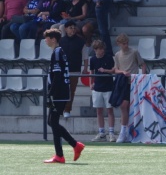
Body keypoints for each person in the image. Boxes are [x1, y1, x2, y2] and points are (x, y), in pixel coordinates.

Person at [43, 28, 85, 164]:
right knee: (52, 122)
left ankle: (62, 154)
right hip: (61, 92)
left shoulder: (57, 53)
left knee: (53, 122)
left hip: (59, 93)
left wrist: (51, 93)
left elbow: (57, 75)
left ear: (53, 39)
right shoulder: (59, 52)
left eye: (47, 38)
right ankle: (73, 146)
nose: (45, 40)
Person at [113, 33, 147, 143]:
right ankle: (124, 131)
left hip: (133, 82)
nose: (126, 45)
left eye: (127, 43)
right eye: (123, 43)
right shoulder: (118, 55)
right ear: (119, 44)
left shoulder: (134, 52)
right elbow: (116, 69)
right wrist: (122, 72)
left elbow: (142, 64)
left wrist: (142, 77)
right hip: (123, 83)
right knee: (124, 106)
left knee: (130, 107)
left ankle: (129, 131)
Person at [59, 20, 88, 118]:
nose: (73, 29)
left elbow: (85, 56)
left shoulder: (81, 41)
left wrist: (85, 68)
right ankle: (61, 108)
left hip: (74, 69)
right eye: (70, 27)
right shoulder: (61, 41)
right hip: (63, 69)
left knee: (71, 90)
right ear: (66, 29)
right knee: (63, 90)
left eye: (74, 27)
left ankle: (67, 109)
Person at [89, 39, 116, 142]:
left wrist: (105, 71)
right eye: (99, 49)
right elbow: (91, 72)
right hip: (97, 88)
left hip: (108, 87)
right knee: (99, 110)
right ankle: (101, 133)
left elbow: (113, 70)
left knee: (110, 110)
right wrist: (91, 83)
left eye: (102, 48)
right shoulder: (92, 59)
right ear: (95, 50)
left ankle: (111, 133)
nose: (101, 51)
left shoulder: (109, 58)